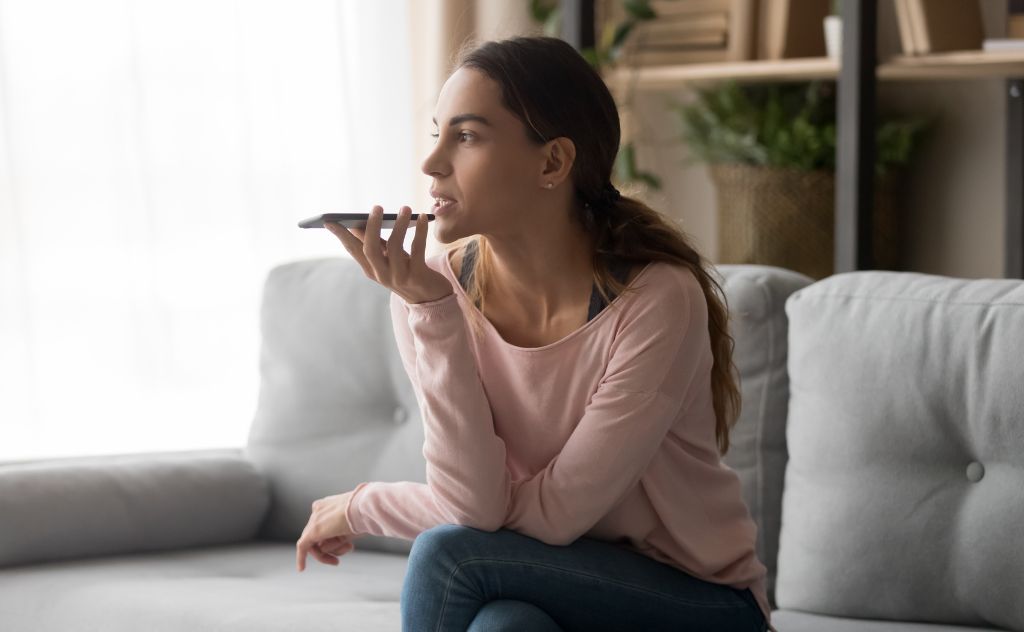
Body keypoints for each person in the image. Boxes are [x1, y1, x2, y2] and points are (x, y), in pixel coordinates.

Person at [297, 35, 774, 632]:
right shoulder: (433, 289)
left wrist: (362, 506)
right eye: (437, 133)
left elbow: (552, 516)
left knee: (448, 556)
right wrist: (432, 310)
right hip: (546, 576)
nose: (432, 163)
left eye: (466, 136)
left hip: (698, 603)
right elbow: (473, 503)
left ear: (552, 162)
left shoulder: (654, 299)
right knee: (505, 626)